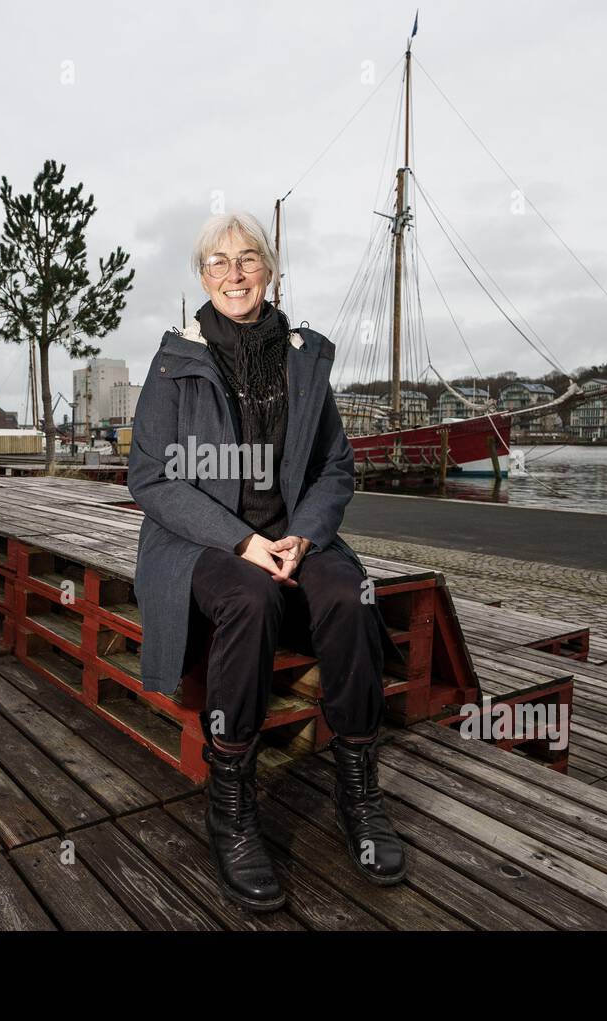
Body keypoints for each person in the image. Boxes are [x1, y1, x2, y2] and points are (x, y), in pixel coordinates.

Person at [127, 212, 407, 912]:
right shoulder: (174, 363)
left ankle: (358, 787)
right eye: (218, 262)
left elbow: (335, 466)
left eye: (248, 258)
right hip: (204, 543)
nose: (234, 273)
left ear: (270, 269)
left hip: (293, 536)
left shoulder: (303, 357)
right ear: (202, 276)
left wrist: (305, 536)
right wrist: (242, 541)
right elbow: (151, 477)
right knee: (250, 599)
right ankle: (232, 802)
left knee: (351, 591)